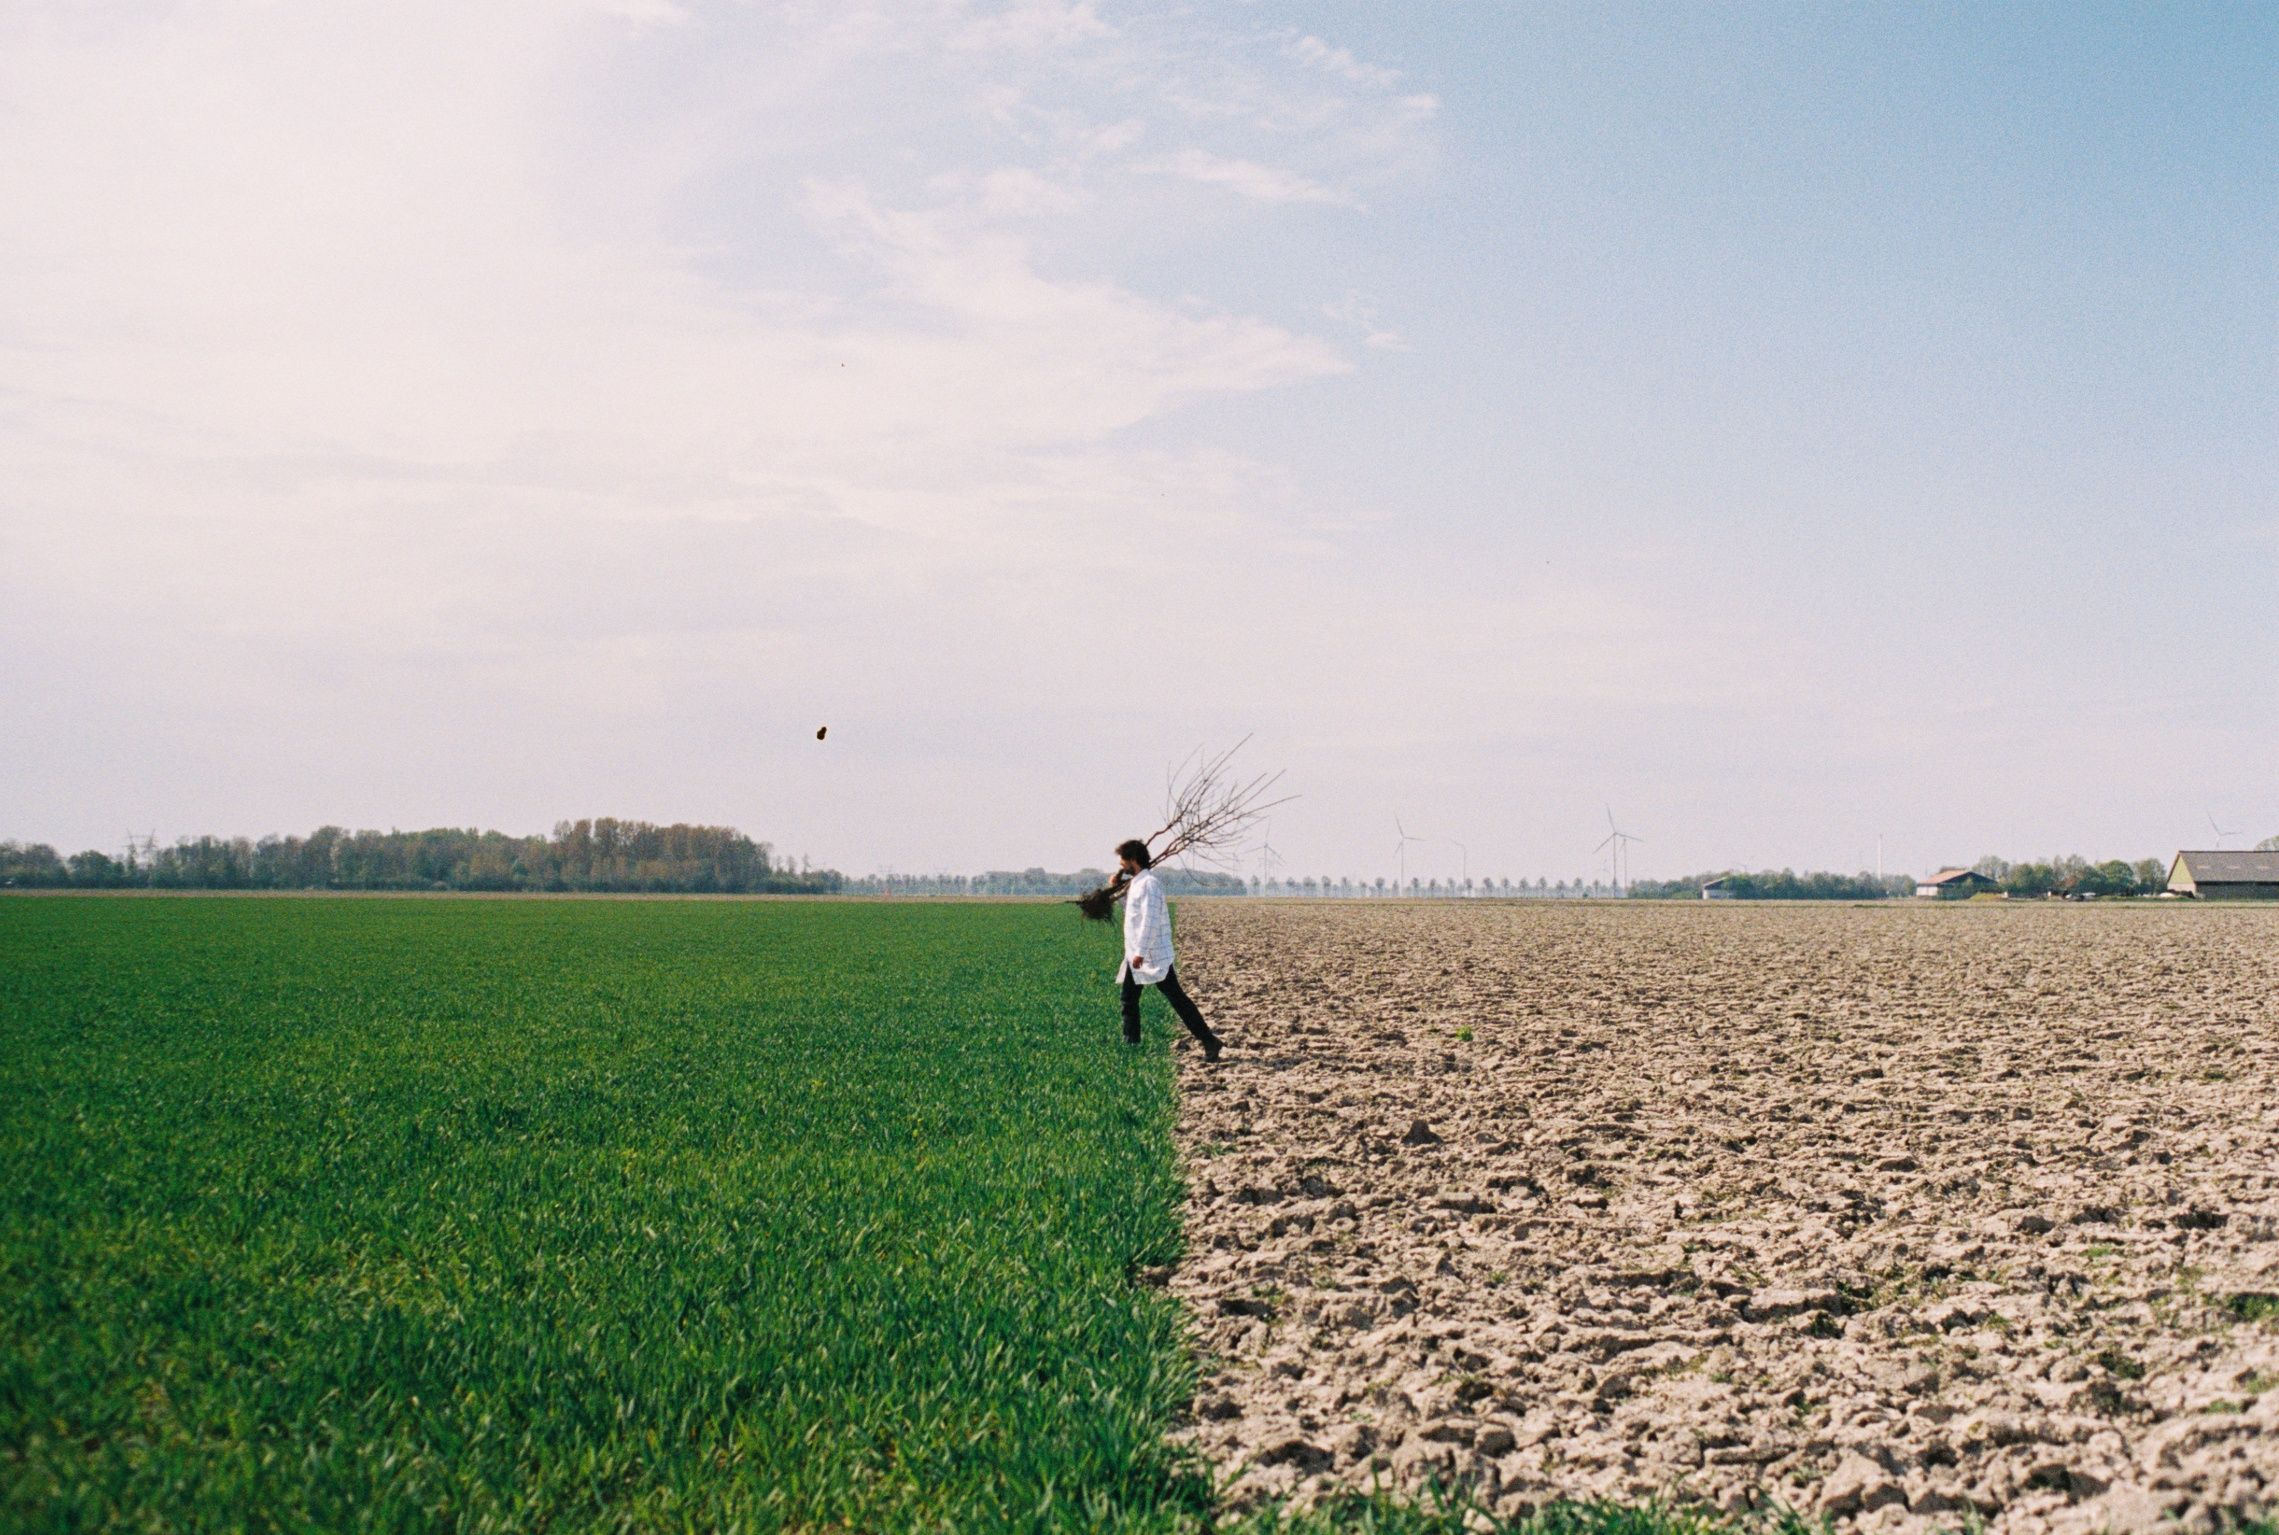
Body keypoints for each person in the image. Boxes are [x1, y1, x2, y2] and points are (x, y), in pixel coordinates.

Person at [1111, 839, 1224, 1061]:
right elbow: (1132, 912)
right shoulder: (1137, 884)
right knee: (1129, 1000)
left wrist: (1141, 952)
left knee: (1176, 999)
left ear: (1132, 860)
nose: (1121, 865)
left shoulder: (1150, 884)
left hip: (1152, 955)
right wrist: (1117, 890)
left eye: (1122, 861)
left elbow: (1150, 920)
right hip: (1137, 954)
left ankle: (1209, 1040)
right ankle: (1131, 1045)